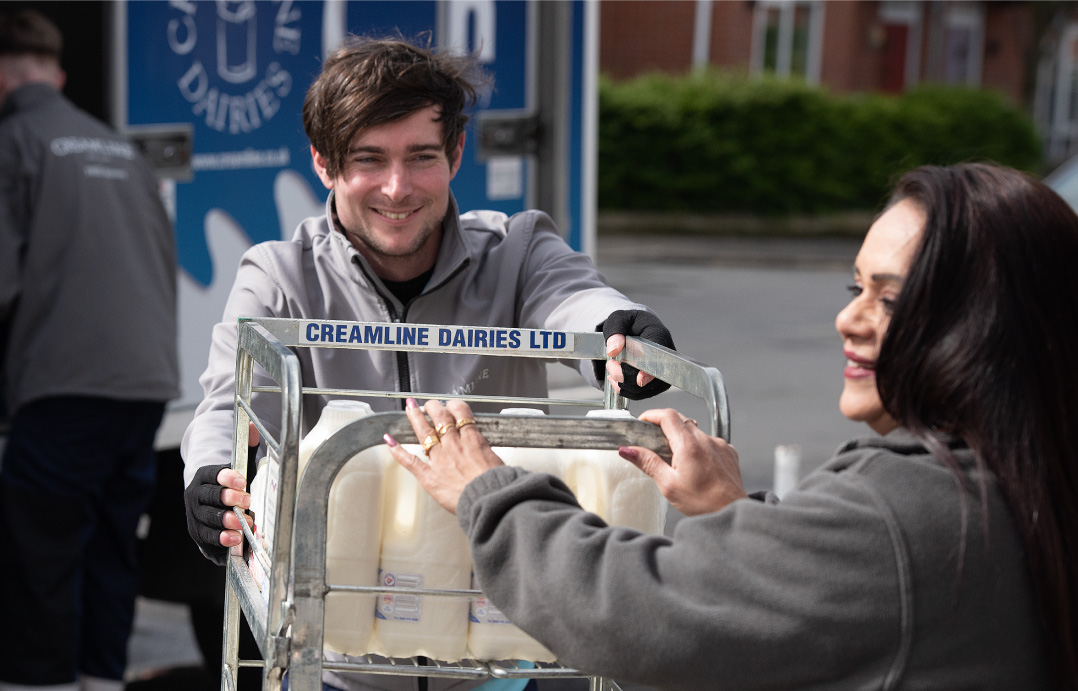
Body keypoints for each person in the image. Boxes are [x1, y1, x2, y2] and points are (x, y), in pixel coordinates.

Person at [386, 163, 1077, 690]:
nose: (849, 319)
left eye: (888, 299)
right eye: (854, 288)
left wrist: (490, 490)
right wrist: (739, 516)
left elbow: (636, 614)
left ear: (988, 326)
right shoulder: (1030, 471)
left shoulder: (908, 508)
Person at [181, 35, 673, 691]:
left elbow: (574, 297)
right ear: (323, 163)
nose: (396, 187)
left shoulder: (516, 248)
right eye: (368, 159)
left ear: (456, 154)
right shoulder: (278, 274)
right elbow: (232, 395)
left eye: (420, 157)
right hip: (341, 661)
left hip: (495, 657)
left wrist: (619, 329)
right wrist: (212, 473)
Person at [0, 9, 179, 691]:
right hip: (144, 384)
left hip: (65, 384)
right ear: (59, 75)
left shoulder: (14, 141)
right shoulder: (119, 148)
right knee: (110, 549)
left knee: (38, 556)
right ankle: (102, 679)